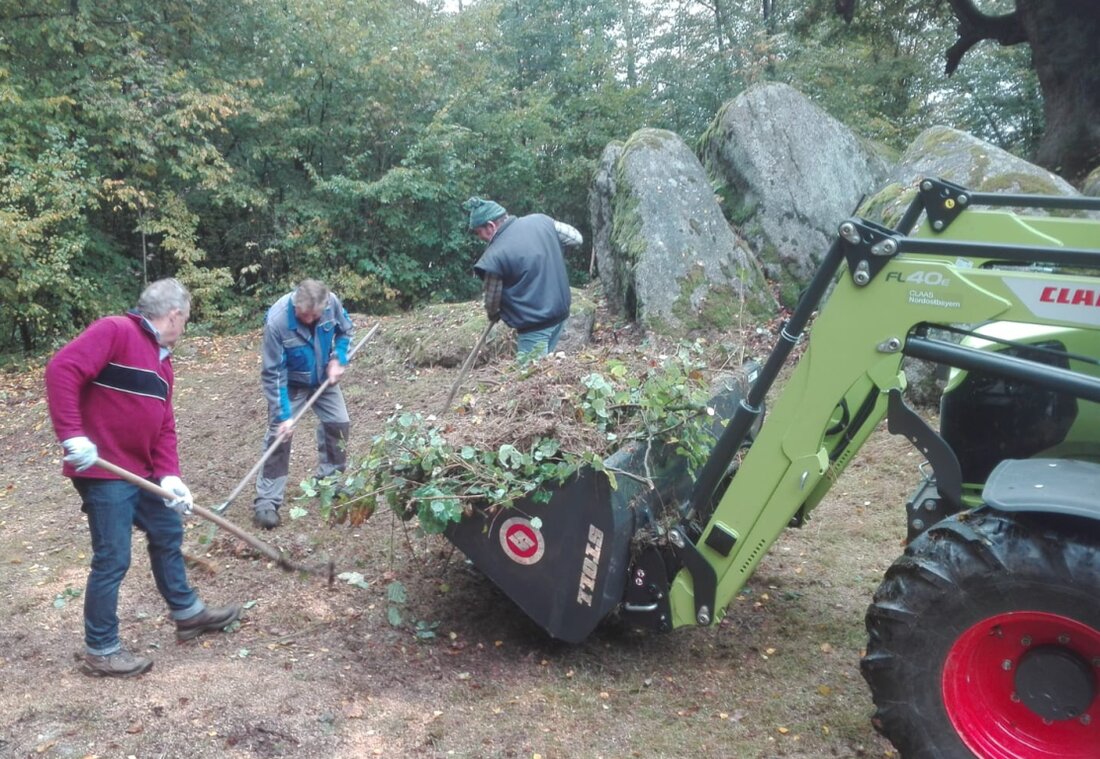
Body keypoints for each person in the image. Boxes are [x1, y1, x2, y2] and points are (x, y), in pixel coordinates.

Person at [44, 278, 242, 678]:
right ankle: (101, 649)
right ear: (174, 316)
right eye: (185, 320)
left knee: (167, 529)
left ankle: (187, 614)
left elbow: (164, 425)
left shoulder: (162, 362)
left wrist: (170, 476)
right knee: (113, 557)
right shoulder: (115, 331)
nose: (184, 328)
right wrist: (72, 435)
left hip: (143, 472)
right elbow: (61, 369)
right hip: (103, 471)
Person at [253, 279, 354, 529]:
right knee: (280, 436)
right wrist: (283, 415)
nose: (309, 320)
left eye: (315, 316)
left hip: (323, 378)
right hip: (290, 385)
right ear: (295, 303)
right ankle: (267, 500)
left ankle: (329, 482)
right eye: (304, 315)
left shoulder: (332, 305)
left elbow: (345, 331)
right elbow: (273, 372)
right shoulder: (277, 321)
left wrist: (338, 359)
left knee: (339, 424)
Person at [464, 197, 583, 360]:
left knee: (529, 379)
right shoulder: (541, 221)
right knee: (543, 369)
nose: (480, 238)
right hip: (560, 315)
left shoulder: (494, 256)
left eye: (479, 233)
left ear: (491, 226)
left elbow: (492, 299)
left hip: (535, 326)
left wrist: (493, 314)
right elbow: (576, 238)